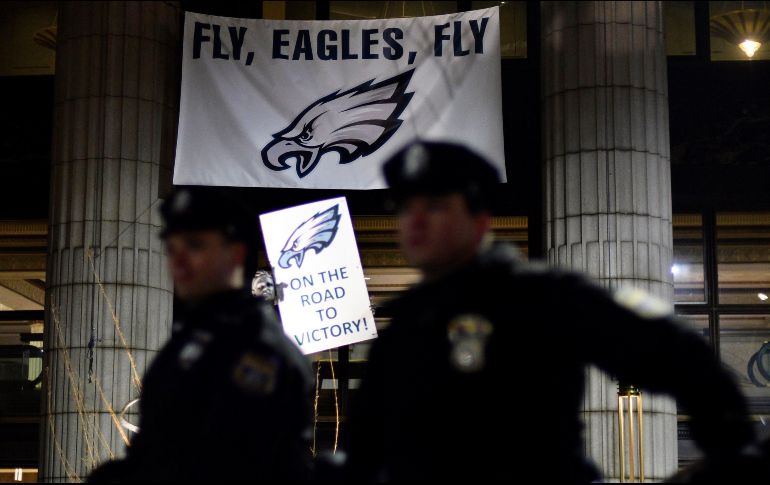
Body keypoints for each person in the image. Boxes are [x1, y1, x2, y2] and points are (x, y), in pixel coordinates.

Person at [345, 141, 756, 482]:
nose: (415, 220)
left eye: (435, 205)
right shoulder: (404, 327)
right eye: (404, 207)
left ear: (480, 220)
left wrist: (730, 447)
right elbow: (366, 447)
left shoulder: (542, 296)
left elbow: (678, 352)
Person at [89, 187, 313, 482]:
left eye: (195, 245)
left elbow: (228, 459)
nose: (179, 261)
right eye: (172, 249)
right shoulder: (189, 342)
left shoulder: (260, 350)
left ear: (235, 254)